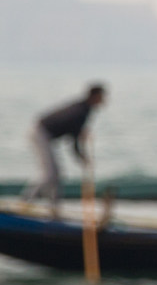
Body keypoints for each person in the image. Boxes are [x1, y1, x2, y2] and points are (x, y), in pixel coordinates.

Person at [28, 83, 105, 211]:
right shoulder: (81, 111)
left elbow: (74, 132)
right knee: (49, 174)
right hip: (40, 133)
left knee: (56, 174)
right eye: (102, 96)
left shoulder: (85, 108)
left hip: (45, 135)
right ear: (95, 96)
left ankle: (54, 208)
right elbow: (73, 139)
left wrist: (80, 142)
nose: (104, 100)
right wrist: (82, 158)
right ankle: (27, 202)